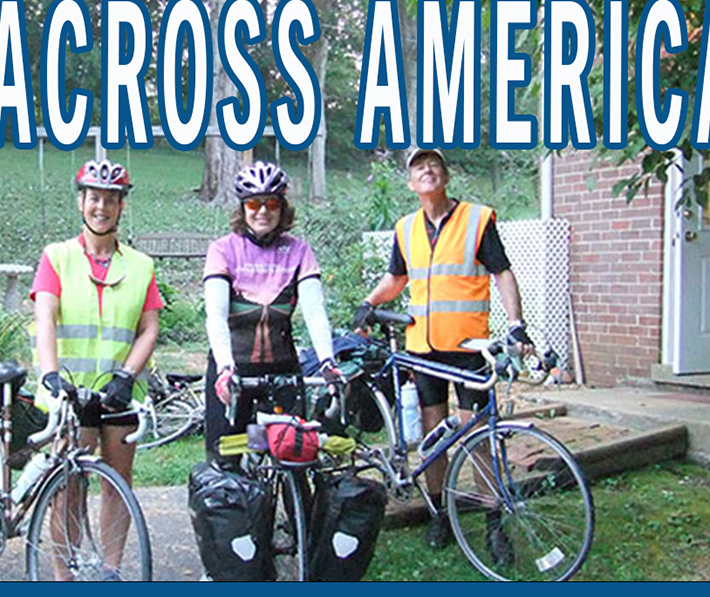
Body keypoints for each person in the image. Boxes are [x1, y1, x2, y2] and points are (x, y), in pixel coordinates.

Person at [352, 148, 533, 566]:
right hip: (424, 349)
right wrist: (369, 301)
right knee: (434, 438)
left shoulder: (476, 219)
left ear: (445, 176)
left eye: (433, 165)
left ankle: (492, 522)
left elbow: (502, 271)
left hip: (470, 348)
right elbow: (398, 277)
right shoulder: (406, 227)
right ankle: (439, 514)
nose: (427, 171)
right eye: (418, 168)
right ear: (411, 183)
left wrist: (517, 323)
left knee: (478, 437)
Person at [30, 159, 163, 581]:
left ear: (121, 206)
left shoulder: (141, 265)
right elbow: (45, 318)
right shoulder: (57, 257)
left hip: (119, 394)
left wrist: (127, 376)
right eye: (94, 198)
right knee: (68, 487)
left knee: (117, 483)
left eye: (110, 199)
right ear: (81, 203)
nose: (101, 206)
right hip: (70, 393)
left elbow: (149, 328)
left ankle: (110, 570)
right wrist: (51, 377)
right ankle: (63, 575)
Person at [202, 161, 345, 464]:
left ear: (282, 208)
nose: (263, 211)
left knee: (295, 455)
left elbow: (315, 312)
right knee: (226, 461)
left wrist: (327, 361)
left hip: (283, 368)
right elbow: (216, 315)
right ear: (242, 208)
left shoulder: (299, 251)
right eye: (254, 203)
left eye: (272, 203)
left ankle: (297, 509)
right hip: (234, 367)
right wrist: (226, 368)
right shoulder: (223, 249)